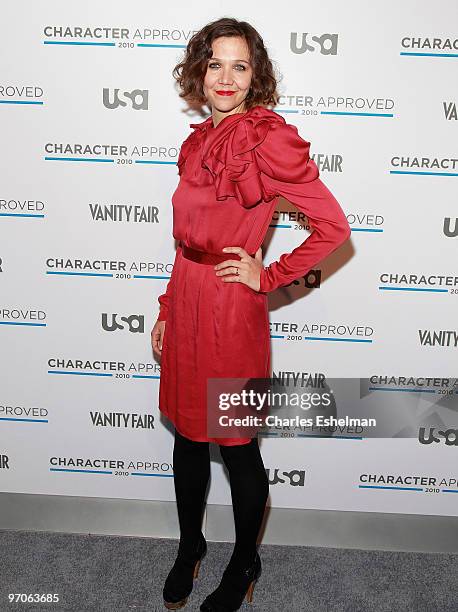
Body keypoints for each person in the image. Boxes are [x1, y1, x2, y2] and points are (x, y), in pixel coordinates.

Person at [151, 17, 351, 612]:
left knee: (237, 446)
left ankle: (244, 561)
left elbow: (333, 228)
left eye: (240, 65)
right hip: (187, 297)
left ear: (255, 75)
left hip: (232, 309)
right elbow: (185, 239)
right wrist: (167, 305)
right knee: (188, 439)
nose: (226, 77)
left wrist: (268, 275)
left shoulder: (266, 139)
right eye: (215, 63)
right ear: (198, 71)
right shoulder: (195, 142)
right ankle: (190, 548)